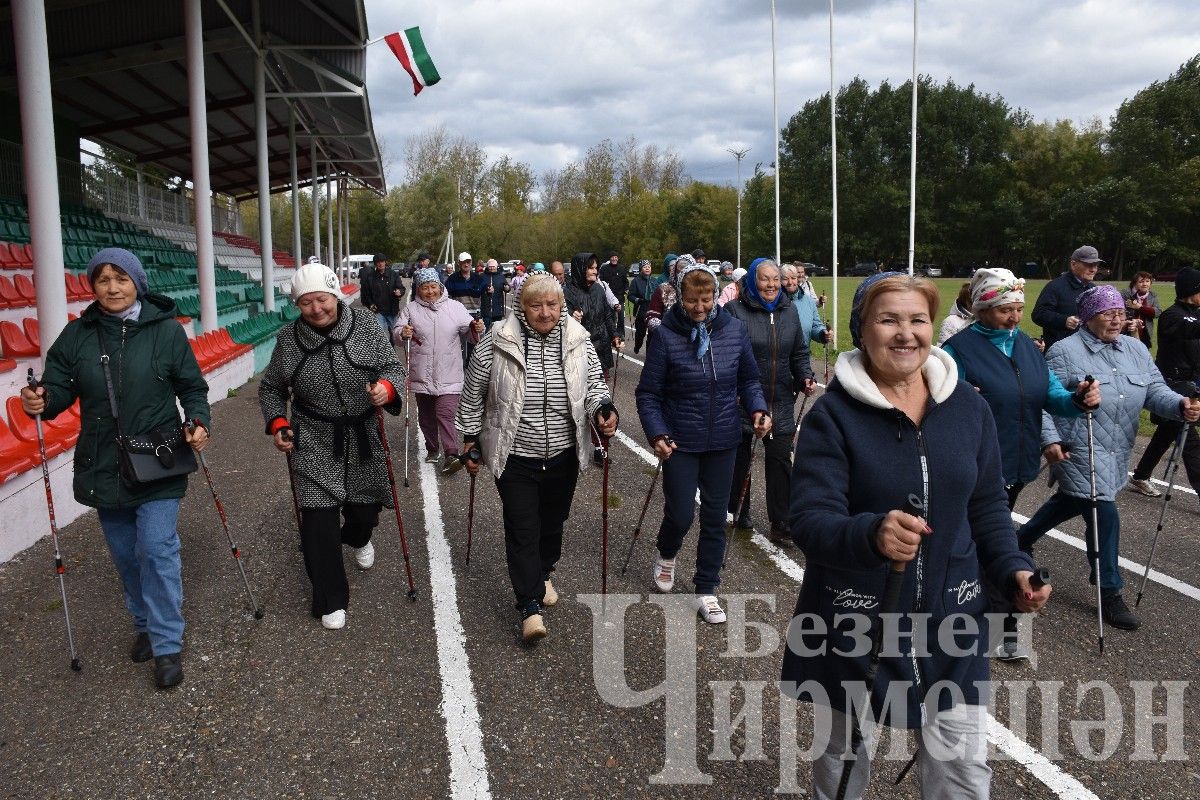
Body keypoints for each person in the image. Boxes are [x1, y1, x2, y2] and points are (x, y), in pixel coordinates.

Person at [782, 272, 1049, 798]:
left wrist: (1013, 569)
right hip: (855, 621)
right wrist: (870, 534)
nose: (906, 334)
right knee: (841, 766)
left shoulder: (969, 409)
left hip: (953, 623)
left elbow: (989, 508)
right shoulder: (832, 417)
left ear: (934, 326)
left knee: (963, 773)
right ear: (862, 330)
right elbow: (809, 520)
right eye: (888, 320)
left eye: (917, 320)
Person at [20, 247, 211, 690]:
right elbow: (58, 387)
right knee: (126, 555)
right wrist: (42, 400)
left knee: (156, 547)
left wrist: (198, 422)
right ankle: (144, 622)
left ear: (137, 282)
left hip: (158, 458)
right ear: (93, 287)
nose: (111, 287)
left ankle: (166, 642)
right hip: (104, 462)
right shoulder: (78, 335)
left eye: (120, 278)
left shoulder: (166, 333)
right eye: (102, 279)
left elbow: (192, 387)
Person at [1017, 285, 1200, 631]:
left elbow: (1154, 390)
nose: (1118, 318)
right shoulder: (1065, 351)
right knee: (1104, 512)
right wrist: (1050, 440)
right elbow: (1042, 401)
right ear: (1088, 317)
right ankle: (1109, 589)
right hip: (1077, 445)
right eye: (1107, 312)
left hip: (1117, 448)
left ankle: (1020, 540)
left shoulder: (1134, 349)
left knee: (1075, 500)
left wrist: (1178, 405)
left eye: (1121, 312)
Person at [942, 268, 1099, 662]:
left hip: (1016, 463)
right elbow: (940, 406)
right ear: (981, 308)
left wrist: (1077, 399)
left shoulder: (1027, 346)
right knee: (985, 544)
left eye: (1018, 309)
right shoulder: (956, 351)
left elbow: (1049, 393)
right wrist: (959, 396)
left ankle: (992, 622)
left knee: (992, 544)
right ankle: (993, 624)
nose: (1014, 318)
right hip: (973, 466)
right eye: (1004, 310)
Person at [456, 273, 618, 642]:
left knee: (553, 523)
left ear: (561, 306)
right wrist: (469, 439)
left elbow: (593, 385)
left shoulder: (578, 340)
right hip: (514, 454)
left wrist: (603, 409)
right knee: (522, 527)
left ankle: (544, 572)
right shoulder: (497, 341)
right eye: (535, 305)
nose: (544, 312)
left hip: (563, 453)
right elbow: (472, 394)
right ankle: (529, 606)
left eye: (552, 305)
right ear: (521, 306)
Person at [258, 262, 406, 632]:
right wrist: (278, 422)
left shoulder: (367, 326)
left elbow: (393, 367)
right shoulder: (289, 340)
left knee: (363, 515)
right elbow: (272, 388)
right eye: (305, 303)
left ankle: (359, 538)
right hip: (313, 438)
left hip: (362, 437)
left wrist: (385, 389)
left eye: (321, 299)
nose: (315, 309)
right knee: (318, 524)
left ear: (336, 295)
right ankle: (330, 598)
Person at [636, 262, 770, 624]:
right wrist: (656, 433)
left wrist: (758, 408)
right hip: (680, 440)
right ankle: (667, 552)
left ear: (716, 296)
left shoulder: (734, 331)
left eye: (707, 299)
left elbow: (749, 381)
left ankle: (707, 588)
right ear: (680, 298)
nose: (700, 307)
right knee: (680, 514)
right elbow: (648, 394)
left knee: (716, 517)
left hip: (724, 439)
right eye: (693, 300)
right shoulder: (665, 335)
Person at [724, 258, 814, 543]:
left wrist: (805, 377)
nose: (772, 284)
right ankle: (739, 509)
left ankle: (781, 522)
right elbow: (726, 356)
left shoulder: (789, 312)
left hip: (781, 400)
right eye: (765, 279)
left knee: (781, 463)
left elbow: (799, 352)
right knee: (740, 459)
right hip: (744, 400)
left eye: (775, 279)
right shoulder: (734, 311)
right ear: (752, 280)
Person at [395, 268, 485, 474]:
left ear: (440, 286)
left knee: (445, 414)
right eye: (425, 287)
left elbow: (470, 331)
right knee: (426, 417)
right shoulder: (411, 310)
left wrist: (476, 328)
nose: (430, 291)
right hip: (422, 372)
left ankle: (451, 454)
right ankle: (432, 448)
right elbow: (397, 334)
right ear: (418, 289)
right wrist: (403, 332)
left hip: (450, 371)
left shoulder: (455, 307)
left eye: (433, 286)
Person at [1129, 267, 1200, 499]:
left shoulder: (1196, 313)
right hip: (1172, 386)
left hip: (1192, 384)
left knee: (1167, 432)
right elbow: (1188, 329)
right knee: (1190, 443)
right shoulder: (1172, 315)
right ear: (1192, 290)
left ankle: (1141, 475)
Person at [1032, 245, 1102, 350]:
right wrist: (1064, 320)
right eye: (1089, 265)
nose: (1093, 269)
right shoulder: (1055, 286)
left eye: (1095, 265)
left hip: (1089, 350)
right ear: (1073, 264)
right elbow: (1038, 314)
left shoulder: (1094, 289)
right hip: (1060, 351)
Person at [782, 264, 834, 349]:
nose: (790, 282)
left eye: (793, 278)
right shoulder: (773, 301)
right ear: (779, 280)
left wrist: (822, 334)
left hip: (802, 355)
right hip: (779, 357)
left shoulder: (809, 301)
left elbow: (815, 325)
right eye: (785, 279)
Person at [359, 253, 404, 335]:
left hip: (392, 310)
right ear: (375, 264)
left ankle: (392, 346)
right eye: (378, 262)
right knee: (380, 334)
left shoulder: (393, 274)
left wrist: (399, 292)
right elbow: (366, 294)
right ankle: (383, 347)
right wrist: (370, 304)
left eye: (382, 261)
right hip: (378, 311)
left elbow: (401, 288)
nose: (380, 264)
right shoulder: (370, 277)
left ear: (385, 262)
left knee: (394, 333)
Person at [1121, 271, 1160, 349]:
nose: (1145, 284)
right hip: (1127, 332)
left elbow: (1157, 313)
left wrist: (1140, 307)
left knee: (1143, 357)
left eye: (1147, 281)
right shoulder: (1125, 294)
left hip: (1145, 333)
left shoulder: (1153, 295)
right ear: (1135, 283)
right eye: (1141, 281)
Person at [644, 253, 679, 336]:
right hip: (661, 317)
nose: (673, 267)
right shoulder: (660, 279)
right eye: (671, 265)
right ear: (667, 266)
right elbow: (653, 296)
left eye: (675, 265)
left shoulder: (684, 279)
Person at [628, 260, 656, 354]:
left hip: (653, 311)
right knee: (640, 333)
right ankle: (637, 345)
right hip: (641, 311)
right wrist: (637, 300)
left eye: (649, 266)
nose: (647, 268)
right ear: (641, 269)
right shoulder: (636, 281)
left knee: (652, 335)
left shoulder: (654, 280)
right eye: (645, 267)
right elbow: (630, 295)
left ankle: (649, 354)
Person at [599, 251, 629, 335]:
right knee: (611, 317)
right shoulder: (604, 269)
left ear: (617, 258)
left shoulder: (622, 268)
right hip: (608, 298)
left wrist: (627, 289)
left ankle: (621, 334)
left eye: (616, 257)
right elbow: (601, 281)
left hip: (620, 297)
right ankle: (611, 333)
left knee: (621, 318)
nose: (614, 258)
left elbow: (626, 282)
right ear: (610, 258)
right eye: (612, 257)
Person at [478, 258, 510, 331]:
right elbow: (478, 288)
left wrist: (507, 288)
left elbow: (507, 287)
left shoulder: (501, 276)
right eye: (490, 266)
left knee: (497, 331)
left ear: (496, 267)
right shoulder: (482, 276)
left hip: (498, 309)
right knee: (486, 331)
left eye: (493, 266)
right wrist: (486, 291)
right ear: (487, 267)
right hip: (485, 309)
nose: (492, 268)